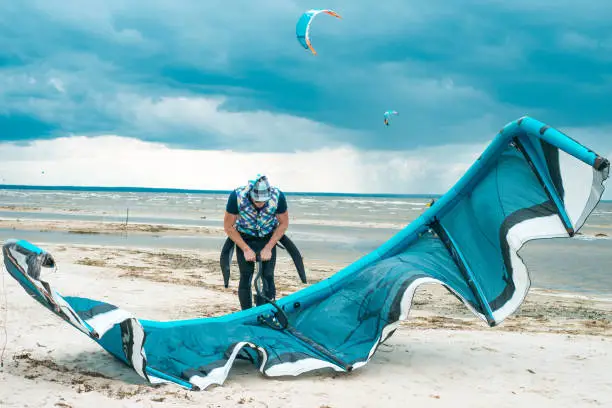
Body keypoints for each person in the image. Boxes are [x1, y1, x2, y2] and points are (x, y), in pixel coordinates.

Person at [223, 174, 289, 310]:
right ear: (250, 194)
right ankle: (246, 312)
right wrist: (246, 249)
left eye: (264, 201)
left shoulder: (278, 196)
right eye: (257, 201)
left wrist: (269, 247)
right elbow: (228, 227)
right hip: (245, 236)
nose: (261, 204)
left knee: (268, 275)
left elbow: (283, 224)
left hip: (267, 236)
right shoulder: (237, 197)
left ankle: (266, 310)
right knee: (246, 275)